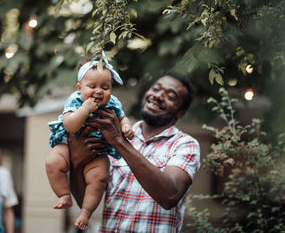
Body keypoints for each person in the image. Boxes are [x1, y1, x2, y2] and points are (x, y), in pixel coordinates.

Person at [67, 73, 201, 232]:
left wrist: (119, 141)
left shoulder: (185, 144)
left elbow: (169, 196)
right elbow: (83, 199)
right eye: (155, 89)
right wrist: (77, 161)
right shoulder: (111, 135)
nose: (157, 96)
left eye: (170, 96)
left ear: (181, 112)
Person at [45, 52, 134, 230]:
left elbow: (122, 117)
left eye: (105, 87)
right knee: (52, 162)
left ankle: (85, 212)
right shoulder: (76, 100)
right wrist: (84, 110)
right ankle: (63, 194)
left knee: (100, 177)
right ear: (79, 87)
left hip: (98, 152)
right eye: (92, 86)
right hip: (68, 145)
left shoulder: (113, 103)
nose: (99, 91)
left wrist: (126, 126)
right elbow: (69, 125)